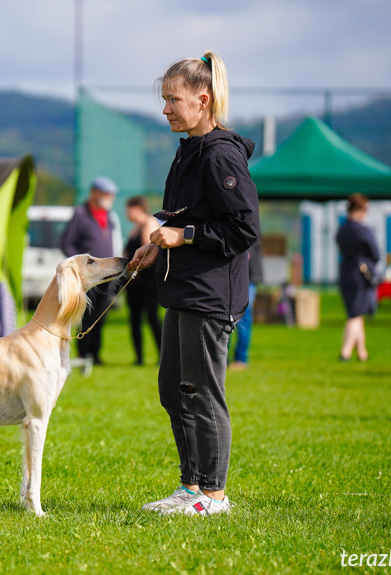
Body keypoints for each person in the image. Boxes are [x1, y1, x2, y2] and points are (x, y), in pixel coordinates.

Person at [128, 52, 259, 517]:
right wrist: (158, 245)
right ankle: (190, 488)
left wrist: (184, 236)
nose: (165, 109)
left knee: (203, 393)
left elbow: (243, 228)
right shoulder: (189, 149)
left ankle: (213, 496)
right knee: (173, 389)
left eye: (173, 99)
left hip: (210, 296)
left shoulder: (221, 154)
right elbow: (183, 216)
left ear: (202, 101)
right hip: (182, 289)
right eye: (164, 99)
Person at [60, 175, 122, 365]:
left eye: (111, 195)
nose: (110, 198)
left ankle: (95, 354)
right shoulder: (80, 214)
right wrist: (81, 268)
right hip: (89, 277)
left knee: (101, 316)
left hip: (106, 276)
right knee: (86, 316)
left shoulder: (109, 217)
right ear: (94, 193)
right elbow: (66, 243)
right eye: (106, 194)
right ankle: (84, 353)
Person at [335, 194, 380, 362]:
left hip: (345, 270)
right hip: (360, 273)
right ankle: (345, 351)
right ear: (361, 209)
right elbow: (376, 254)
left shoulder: (342, 229)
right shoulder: (362, 230)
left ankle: (362, 352)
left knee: (357, 310)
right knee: (355, 313)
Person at [123, 196, 162, 365]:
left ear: (138, 208)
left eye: (129, 209)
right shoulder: (135, 228)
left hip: (148, 281)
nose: (127, 213)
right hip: (135, 283)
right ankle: (139, 357)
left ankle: (162, 355)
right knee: (135, 320)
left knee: (152, 317)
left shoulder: (149, 223)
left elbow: (148, 250)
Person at [228, 237, 264, 370]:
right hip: (232, 274)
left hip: (248, 276)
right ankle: (223, 358)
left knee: (243, 316)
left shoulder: (248, 218)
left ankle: (240, 359)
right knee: (223, 317)